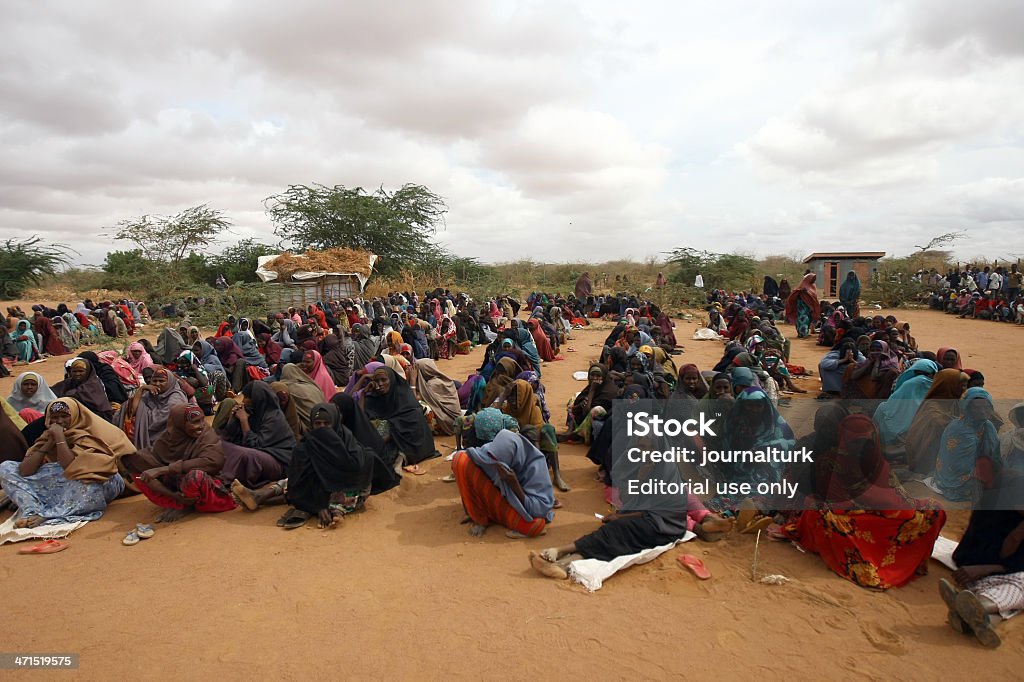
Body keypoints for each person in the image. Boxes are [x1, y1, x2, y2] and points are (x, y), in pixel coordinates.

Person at [784, 415, 946, 589]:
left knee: (934, 509)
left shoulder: (877, 462)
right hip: (851, 518)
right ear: (845, 438)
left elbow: (900, 498)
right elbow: (835, 503)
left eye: (865, 442)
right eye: (855, 442)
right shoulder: (831, 462)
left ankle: (908, 560)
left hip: (880, 517)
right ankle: (870, 562)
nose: (860, 447)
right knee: (819, 516)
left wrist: (884, 504)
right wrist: (871, 501)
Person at [0, 398, 129, 527]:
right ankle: (32, 509)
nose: (59, 421)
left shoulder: (92, 431)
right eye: (55, 417)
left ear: (74, 415)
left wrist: (60, 438)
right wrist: (49, 443)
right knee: (6, 467)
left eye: (64, 416)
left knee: (86, 484)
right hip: (67, 480)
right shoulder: (48, 435)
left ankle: (51, 514)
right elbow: (25, 471)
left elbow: (72, 467)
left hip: (99, 478)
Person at [940, 478, 1024, 648]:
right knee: (1019, 587)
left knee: (1013, 595)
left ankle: (968, 617)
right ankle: (978, 605)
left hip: (988, 571)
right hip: (979, 569)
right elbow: (1004, 546)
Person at [120, 404, 236, 523]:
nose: (201, 425)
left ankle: (189, 505)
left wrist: (164, 469)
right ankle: (178, 502)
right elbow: (154, 459)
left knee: (195, 477)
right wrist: (174, 495)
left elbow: (213, 462)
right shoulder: (169, 437)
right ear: (179, 424)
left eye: (202, 420)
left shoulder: (207, 436)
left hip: (204, 484)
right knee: (137, 463)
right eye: (195, 422)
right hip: (176, 485)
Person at [451, 430, 554, 538]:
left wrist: (514, 484)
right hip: (493, 496)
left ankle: (491, 515)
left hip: (514, 505)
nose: (495, 464)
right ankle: (478, 516)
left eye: (501, 461)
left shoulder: (536, 468)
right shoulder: (494, 451)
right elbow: (473, 457)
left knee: (536, 525)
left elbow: (540, 509)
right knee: (460, 460)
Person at [216, 381, 296, 489]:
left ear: (257, 399)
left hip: (278, 459)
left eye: (247, 397)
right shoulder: (255, 411)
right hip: (259, 453)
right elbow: (232, 438)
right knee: (221, 444)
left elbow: (256, 445)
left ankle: (226, 479)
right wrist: (233, 418)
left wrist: (244, 421)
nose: (244, 401)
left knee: (245, 455)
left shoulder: (274, 417)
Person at [931, 387, 1000, 502]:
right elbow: (960, 467)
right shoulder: (959, 430)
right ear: (967, 408)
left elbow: (995, 454)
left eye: (987, 407)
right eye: (976, 408)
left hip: (976, 465)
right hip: (957, 477)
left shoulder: (987, 425)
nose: (983, 411)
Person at [362, 367, 437, 473]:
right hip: (386, 440)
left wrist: (381, 440)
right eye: (377, 381)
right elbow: (360, 418)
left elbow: (411, 424)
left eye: (384, 380)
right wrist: (363, 393)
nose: (380, 384)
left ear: (391, 380)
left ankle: (400, 458)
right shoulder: (376, 397)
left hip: (408, 442)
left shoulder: (404, 397)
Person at [905, 368, 967, 477]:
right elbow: (940, 423)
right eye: (961, 385)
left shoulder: (954, 401)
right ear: (949, 385)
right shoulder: (932, 406)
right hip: (926, 456)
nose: (964, 389)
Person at [113, 366, 188, 449]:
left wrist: (142, 416)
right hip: (146, 429)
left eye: (161, 381)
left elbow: (161, 419)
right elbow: (132, 409)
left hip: (166, 436)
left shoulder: (176, 397)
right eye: (154, 380)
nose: (157, 384)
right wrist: (141, 389)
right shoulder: (150, 393)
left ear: (170, 382)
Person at [52, 356, 115, 421]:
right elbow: (54, 390)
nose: (77, 374)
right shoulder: (70, 381)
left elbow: (76, 395)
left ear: (87, 371)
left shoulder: (93, 384)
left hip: (97, 416)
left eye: (81, 371)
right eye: (74, 371)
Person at [414, 358, 461, 436]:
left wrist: (412, 380)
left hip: (449, 423)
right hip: (455, 420)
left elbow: (414, 399)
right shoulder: (442, 379)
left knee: (421, 406)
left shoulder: (433, 384)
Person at [784, 273, 820, 338]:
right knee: (803, 318)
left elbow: (814, 296)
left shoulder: (812, 286)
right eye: (812, 279)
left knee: (808, 319)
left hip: (809, 307)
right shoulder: (802, 285)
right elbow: (794, 294)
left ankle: (805, 332)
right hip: (802, 306)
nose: (813, 280)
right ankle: (802, 333)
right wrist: (801, 291)